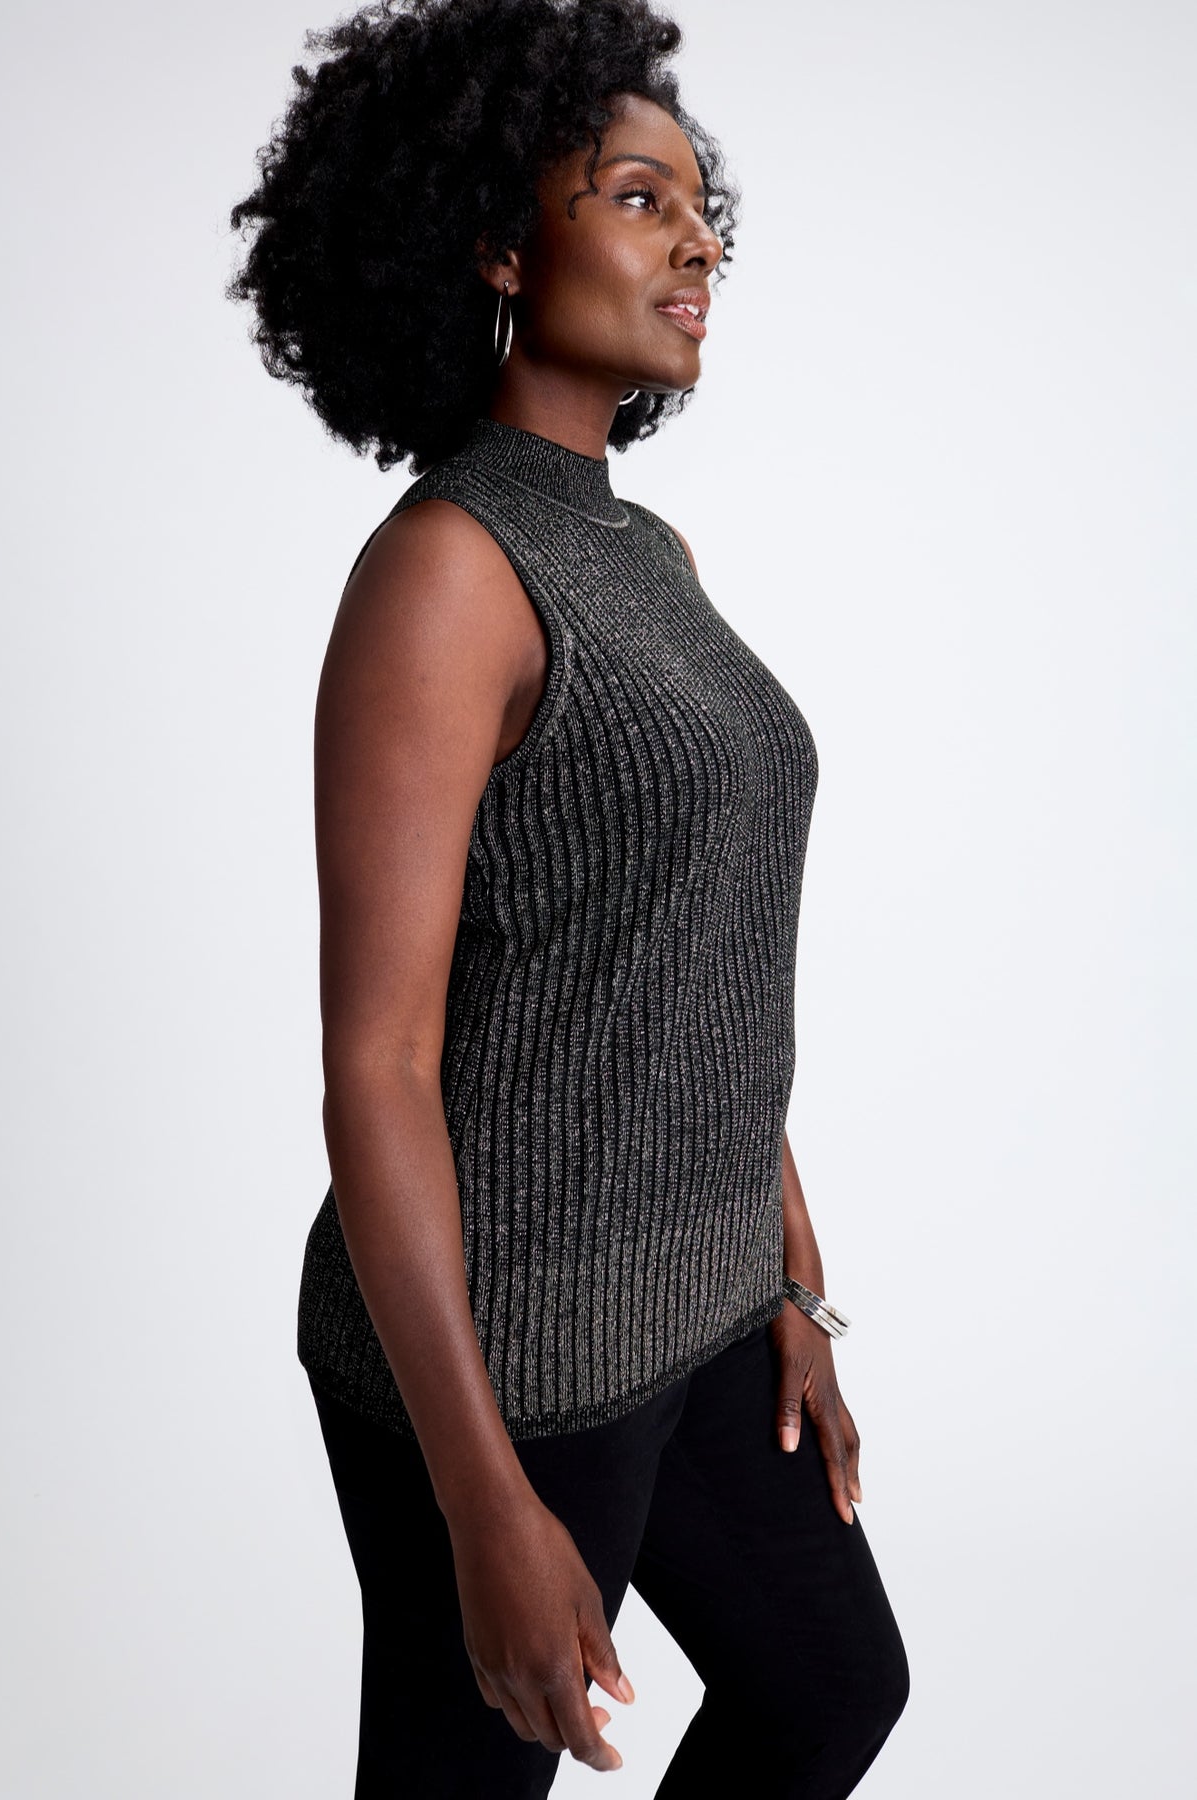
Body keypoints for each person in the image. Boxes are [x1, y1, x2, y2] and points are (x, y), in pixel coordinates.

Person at [227, 2, 910, 1793]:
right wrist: (482, 1502)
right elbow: (378, 1064)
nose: (698, 246)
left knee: (830, 1688)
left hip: (702, 1302)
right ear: (498, 245)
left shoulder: (642, 549)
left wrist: (793, 1279)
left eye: (704, 213)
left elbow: (693, 955)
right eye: (636, 198)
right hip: (508, 1356)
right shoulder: (448, 573)